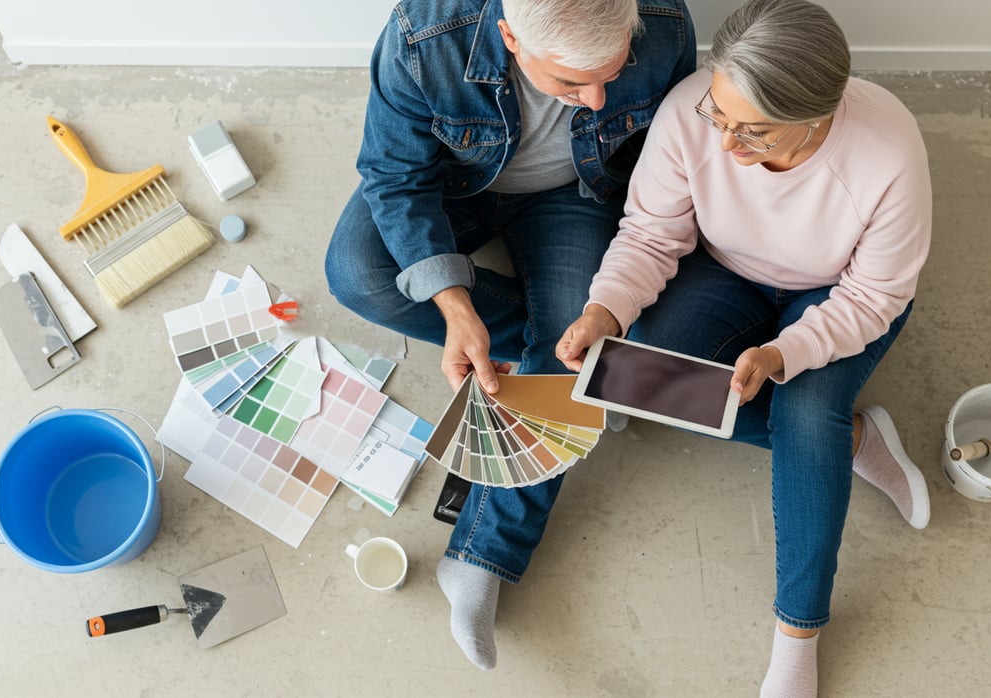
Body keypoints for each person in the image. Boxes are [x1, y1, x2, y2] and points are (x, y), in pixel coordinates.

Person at [555, 0, 933, 694]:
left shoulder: (888, 152)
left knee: (805, 414)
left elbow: (874, 297)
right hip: (725, 270)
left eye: (752, 132)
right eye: (719, 117)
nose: (727, 146)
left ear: (815, 116)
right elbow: (651, 233)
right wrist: (606, 311)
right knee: (645, 376)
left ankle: (798, 632)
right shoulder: (689, 110)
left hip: (839, 295)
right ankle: (852, 442)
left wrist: (785, 354)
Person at [324, 0, 695, 671]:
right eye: (572, 82)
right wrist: (455, 306)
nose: (597, 100)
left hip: (576, 195)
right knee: (357, 273)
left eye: (611, 75)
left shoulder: (663, 21)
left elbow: (668, 158)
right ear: (510, 37)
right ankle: (582, 363)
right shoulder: (424, 33)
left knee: (570, 348)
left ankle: (481, 557)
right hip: (452, 185)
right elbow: (395, 177)